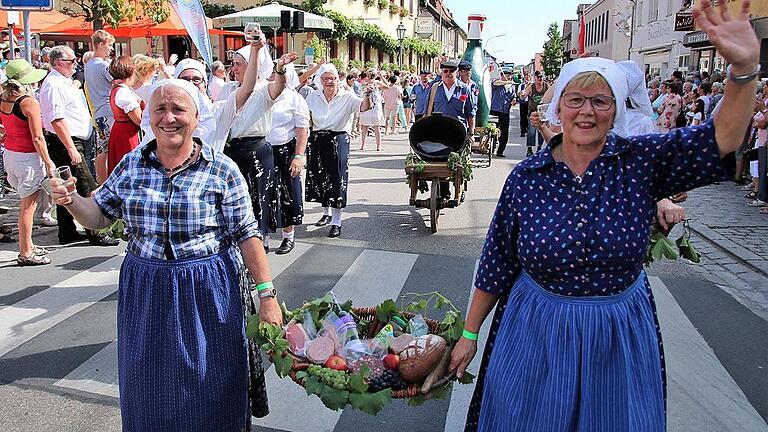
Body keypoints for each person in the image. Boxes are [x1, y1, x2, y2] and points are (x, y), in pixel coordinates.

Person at [451, 1, 759, 430]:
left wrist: (743, 71)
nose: (588, 111)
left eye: (601, 100)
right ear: (559, 107)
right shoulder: (527, 176)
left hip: (616, 334)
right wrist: (469, 335)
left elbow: (721, 139)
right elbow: (497, 261)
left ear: (616, 109)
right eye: (576, 99)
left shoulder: (640, 160)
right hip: (536, 331)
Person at [48, 78, 282, 431]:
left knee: (212, 382)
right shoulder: (132, 165)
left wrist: (267, 296)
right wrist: (70, 201)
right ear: (149, 117)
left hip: (208, 288)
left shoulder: (221, 169)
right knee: (148, 384)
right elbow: (97, 216)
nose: (168, 117)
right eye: (160, 109)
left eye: (178, 109)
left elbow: (247, 234)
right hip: (147, 288)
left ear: (196, 116)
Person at [39, 45, 118, 247]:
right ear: (58, 63)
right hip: (67, 141)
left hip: (77, 139)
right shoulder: (53, 84)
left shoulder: (64, 82)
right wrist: (71, 147)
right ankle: (96, 232)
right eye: (71, 61)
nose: (75, 64)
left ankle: (68, 231)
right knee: (85, 184)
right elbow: (56, 119)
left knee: (69, 186)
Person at [224, 41, 296, 252]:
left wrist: (280, 69)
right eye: (233, 63)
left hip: (255, 151)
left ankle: (259, 245)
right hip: (231, 150)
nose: (234, 68)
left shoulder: (264, 90)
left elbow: (278, 86)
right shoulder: (228, 88)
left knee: (257, 200)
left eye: (239, 64)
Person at [305, 64, 373, 237]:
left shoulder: (347, 96)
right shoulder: (313, 97)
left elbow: (364, 107)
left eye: (332, 78)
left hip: (339, 138)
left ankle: (337, 220)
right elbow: (305, 118)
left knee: (338, 178)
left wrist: (367, 94)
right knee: (320, 177)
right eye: (325, 78)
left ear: (338, 79)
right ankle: (325, 213)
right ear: (320, 80)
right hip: (318, 139)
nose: (329, 82)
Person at [0, 59, 55, 265]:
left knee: (27, 203)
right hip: (28, 158)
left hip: (11, 155)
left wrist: (6, 134)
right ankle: (25, 252)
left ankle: (28, 245)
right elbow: (38, 137)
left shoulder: (4, 99)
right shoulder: (28, 102)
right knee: (28, 207)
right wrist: (48, 162)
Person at [266, 63, 310, 254]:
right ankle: (263, 238)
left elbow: (302, 130)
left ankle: (288, 237)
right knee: (263, 195)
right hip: (263, 151)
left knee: (288, 193)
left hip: (286, 151)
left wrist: (299, 156)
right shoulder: (262, 95)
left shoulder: (295, 98)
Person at [423, 59, 476, 199]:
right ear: (441, 73)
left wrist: (471, 132)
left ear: (456, 72)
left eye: (451, 71)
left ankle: (461, 186)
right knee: (440, 161)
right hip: (439, 131)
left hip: (459, 131)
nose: (448, 74)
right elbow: (427, 111)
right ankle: (443, 193)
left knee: (459, 161)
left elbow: (470, 113)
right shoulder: (434, 88)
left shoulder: (464, 89)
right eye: (445, 71)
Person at [84, 30, 115, 184]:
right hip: (108, 110)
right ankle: (106, 181)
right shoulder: (103, 65)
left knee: (101, 149)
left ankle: (102, 181)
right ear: (101, 44)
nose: (111, 49)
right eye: (109, 45)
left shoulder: (88, 65)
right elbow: (117, 82)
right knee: (107, 148)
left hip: (98, 110)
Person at [107, 55, 143, 175]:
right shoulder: (123, 93)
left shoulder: (117, 89)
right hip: (126, 134)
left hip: (119, 130)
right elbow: (139, 120)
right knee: (129, 167)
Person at [519, 70, 548, 156]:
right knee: (531, 132)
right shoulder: (531, 87)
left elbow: (552, 95)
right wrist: (521, 94)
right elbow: (523, 97)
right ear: (535, 78)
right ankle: (529, 149)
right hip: (533, 112)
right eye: (538, 77)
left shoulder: (546, 86)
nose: (540, 79)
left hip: (543, 113)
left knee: (542, 131)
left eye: (541, 77)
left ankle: (539, 148)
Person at [489, 71, 516, 157]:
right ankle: (491, 148)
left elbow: (513, 95)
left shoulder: (512, 86)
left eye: (510, 76)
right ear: (502, 76)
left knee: (504, 133)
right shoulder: (497, 83)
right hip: (494, 111)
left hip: (505, 112)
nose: (509, 78)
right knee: (493, 131)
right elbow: (494, 83)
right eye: (507, 76)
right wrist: (506, 82)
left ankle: (500, 151)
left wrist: (514, 100)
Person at [358, 70, 386, 151]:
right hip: (375, 106)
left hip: (367, 105)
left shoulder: (364, 83)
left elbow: (361, 93)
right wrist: (382, 77)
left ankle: (363, 145)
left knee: (365, 126)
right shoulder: (376, 83)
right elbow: (387, 86)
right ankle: (378, 146)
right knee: (377, 126)